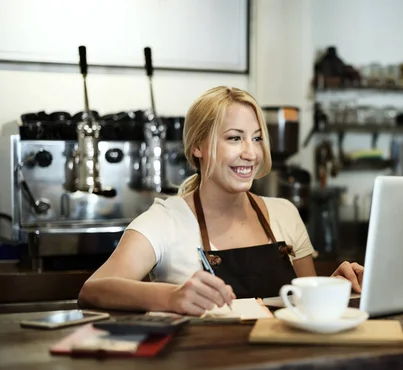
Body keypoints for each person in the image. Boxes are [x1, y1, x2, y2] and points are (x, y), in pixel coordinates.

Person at [78, 86, 364, 316]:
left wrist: (333, 287)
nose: (251, 153)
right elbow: (93, 291)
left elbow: (305, 309)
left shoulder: (284, 213)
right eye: (235, 138)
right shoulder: (165, 221)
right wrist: (172, 297)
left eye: (257, 138)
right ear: (198, 146)